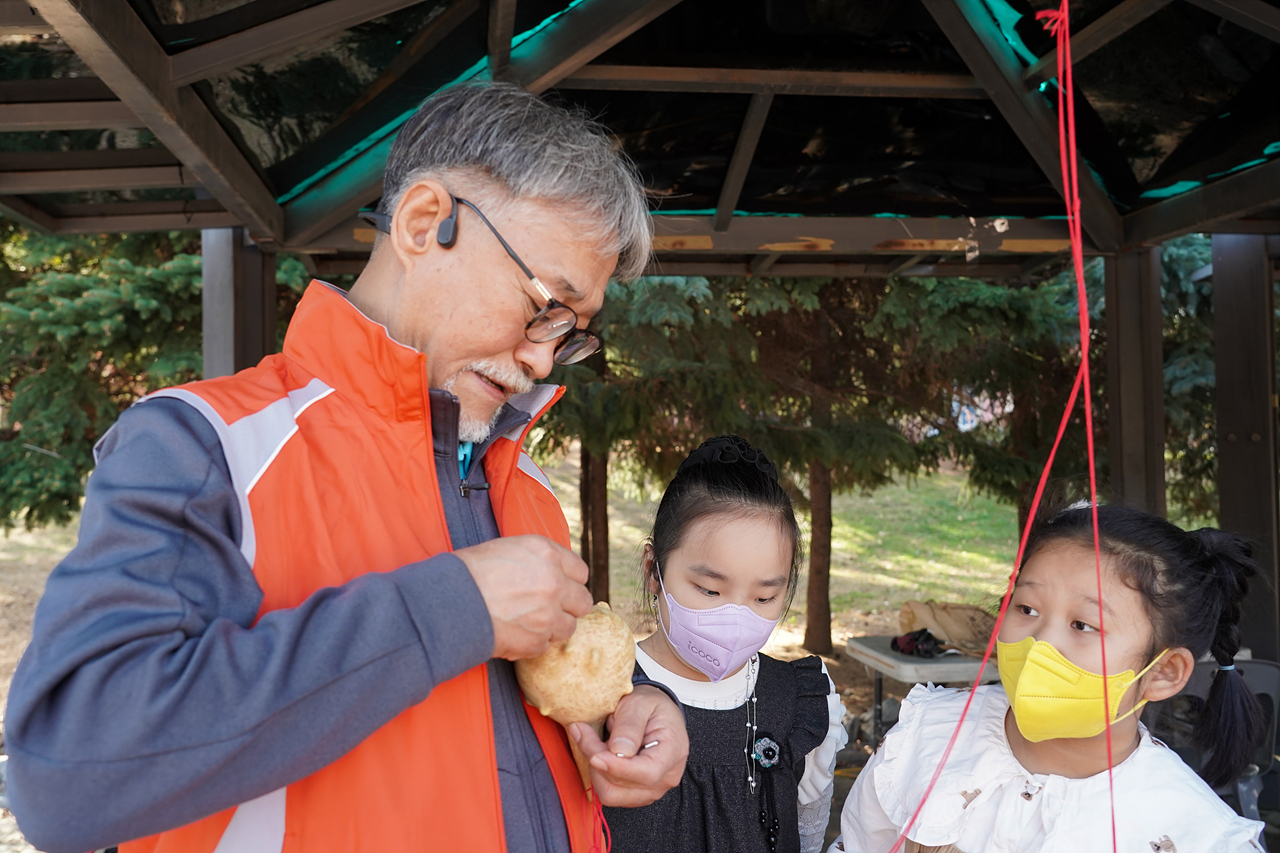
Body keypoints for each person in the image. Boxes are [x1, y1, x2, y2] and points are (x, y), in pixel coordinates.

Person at [3, 82, 688, 853]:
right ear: (425, 222)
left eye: (570, 334)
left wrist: (619, 720)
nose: (540, 357)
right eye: (543, 305)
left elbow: (485, 747)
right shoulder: (206, 445)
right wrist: (449, 609)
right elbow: (68, 777)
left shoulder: (524, 487)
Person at [830, 503, 1266, 853]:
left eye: (1083, 625)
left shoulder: (1192, 832)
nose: (1042, 644)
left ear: (1163, 673)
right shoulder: (925, 739)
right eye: (1027, 609)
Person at [604, 435, 848, 853]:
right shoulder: (601, 692)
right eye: (710, 591)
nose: (736, 619)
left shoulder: (800, 700)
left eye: (764, 598)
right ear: (652, 569)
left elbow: (806, 837)